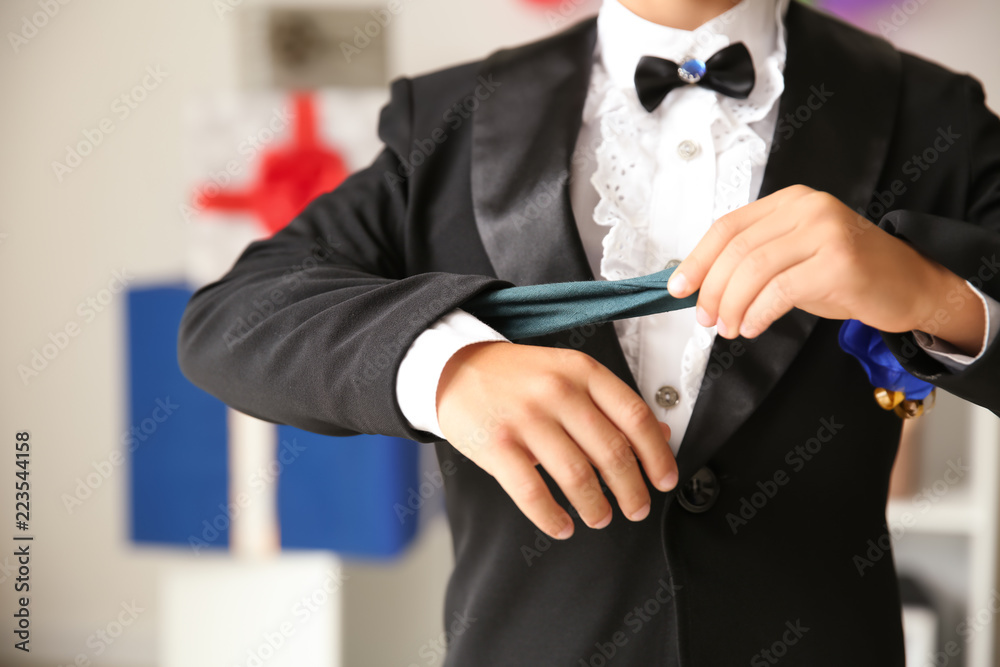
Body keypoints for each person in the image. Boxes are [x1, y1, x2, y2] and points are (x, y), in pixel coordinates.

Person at [177, 0, 1000, 663]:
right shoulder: (445, 119)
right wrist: (449, 368)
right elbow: (234, 316)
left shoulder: (933, 113)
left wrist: (933, 296)